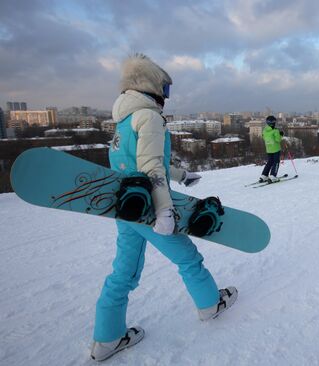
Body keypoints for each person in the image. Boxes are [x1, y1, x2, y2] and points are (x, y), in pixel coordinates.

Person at [91, 54, 237, 362]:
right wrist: (164, 211)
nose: (165, 98)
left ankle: (106, 338)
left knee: (123, 273)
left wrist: (183, 175)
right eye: (165, 90)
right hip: (150, 210)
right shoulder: (149, 117)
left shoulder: (123, 121)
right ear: (152, 86)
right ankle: (210, 304)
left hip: (126, 209)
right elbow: (150, 165)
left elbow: (134, 164)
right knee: (188, 258)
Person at [259, 115, 283, 182]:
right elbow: (278, 140)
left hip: (269, 149)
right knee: (276, 162)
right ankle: (273, 176)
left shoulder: (264, 130)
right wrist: (281, 135)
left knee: (269, 162)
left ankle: (264, 175)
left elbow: (264, 138)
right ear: (274, 122)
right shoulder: (275, 131)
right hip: (276, 149)